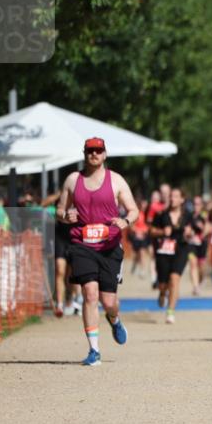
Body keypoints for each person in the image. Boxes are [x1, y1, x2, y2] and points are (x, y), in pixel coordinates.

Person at [55, 137, 138, 366]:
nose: (94, 154)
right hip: (82, 245)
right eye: (90, 150)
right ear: (84, 154)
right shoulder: (73, 180)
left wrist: (125, 221)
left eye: (98, 150)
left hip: (109, 247)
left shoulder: (116, 180)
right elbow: (59, 210)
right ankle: (94, 350)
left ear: (105, 154)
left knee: (108, 301)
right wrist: (65, 216)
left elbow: (134, 210)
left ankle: (114, 319)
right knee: (90, 294)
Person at [150, 187, 196, 324]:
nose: (172, 199)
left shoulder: (188, 215)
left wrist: (190, 233)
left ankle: (170, 311)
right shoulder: (161, 214)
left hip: (181, 249)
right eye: (171, 196)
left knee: (174, 279)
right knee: (163, 284)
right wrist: (162, 232)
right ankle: (162, 293)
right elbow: (151, 231)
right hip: (164, 250)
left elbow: (194, 231)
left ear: (182, 199)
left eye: (175, 196)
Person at [187, 194, 209, 295]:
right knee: (193, 263)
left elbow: (209, 228)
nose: (196, 206)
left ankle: (201, 280)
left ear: (202, 205)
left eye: (198, 204)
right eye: (194, 204)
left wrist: (203, 231)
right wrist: (189, 233)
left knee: (201, 267)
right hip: (191, 243)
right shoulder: (189, 215)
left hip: (202, 244)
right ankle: (195, 287)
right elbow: (186, 228)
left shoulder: (204, 215)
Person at [128, 196, 151, 279]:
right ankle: (135, 265)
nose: (144, 205)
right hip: (137, 237)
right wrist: (138, 231)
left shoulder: (148, 214)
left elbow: (150, 226)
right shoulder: (137, 214)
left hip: (145, 237)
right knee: (138, 254)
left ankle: (142, 270)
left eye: (146, 204)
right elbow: (131, 226)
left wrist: (146, 230)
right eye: (143, 204)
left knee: (142, 253)